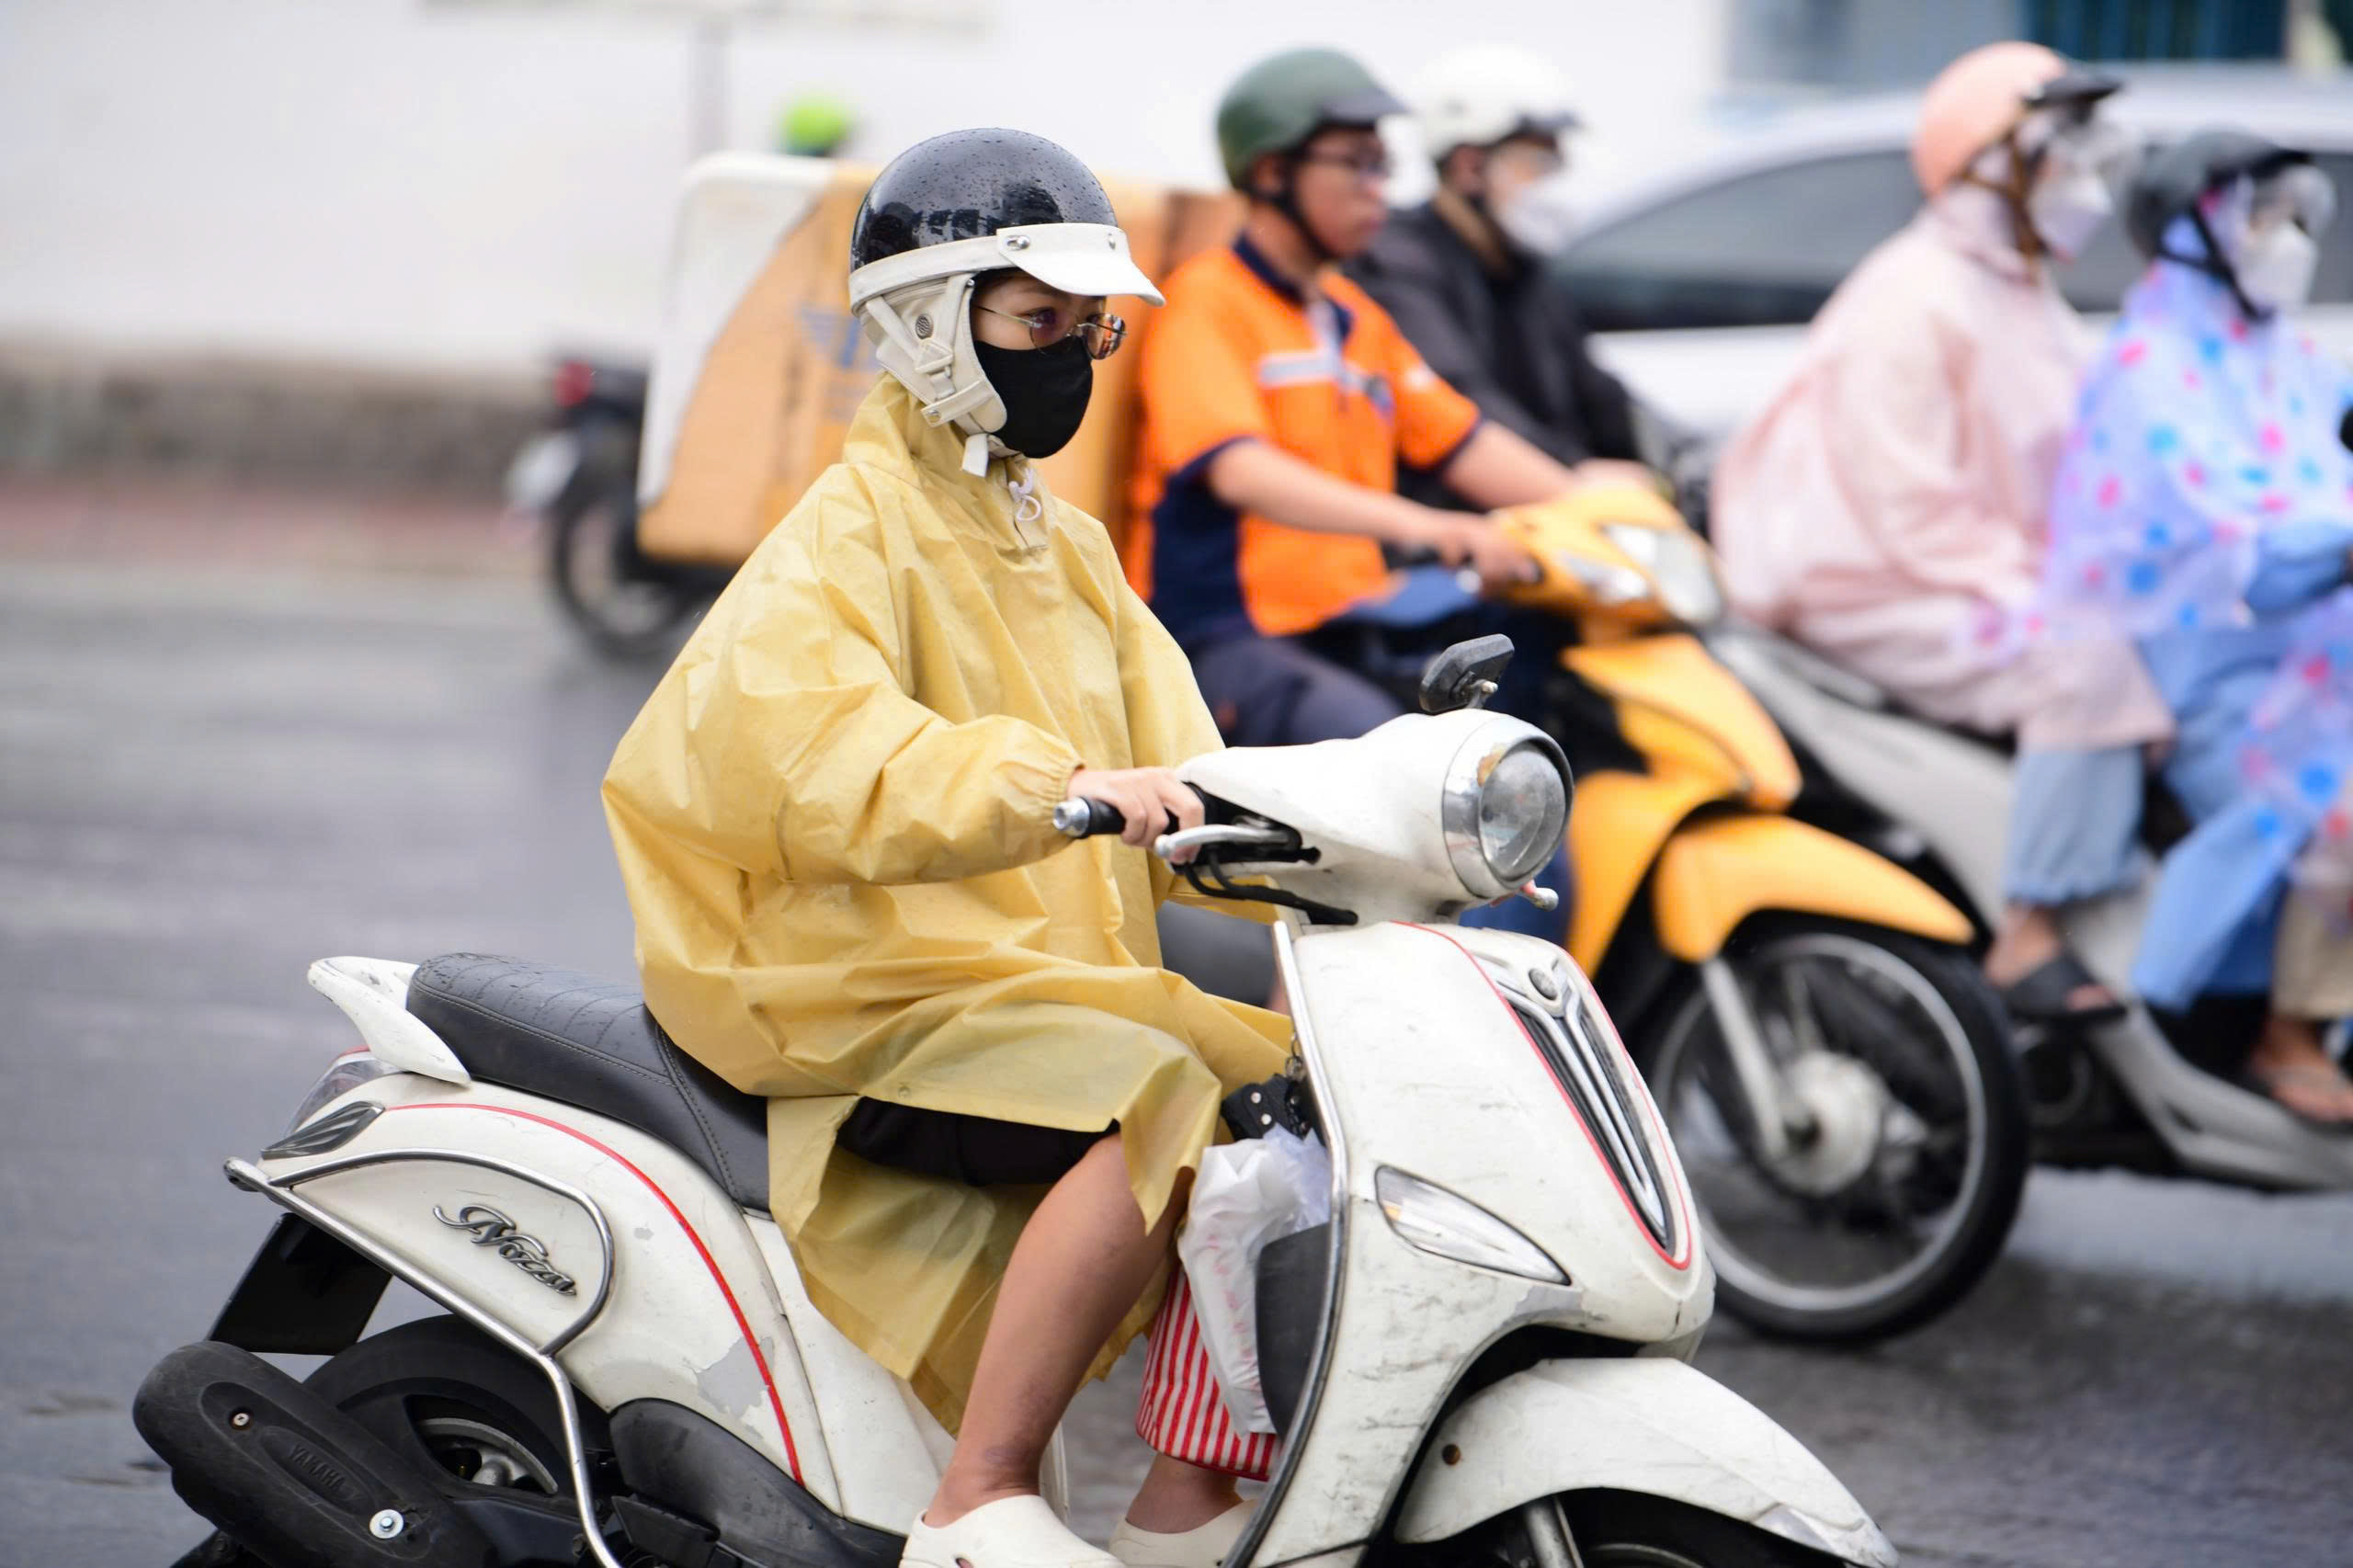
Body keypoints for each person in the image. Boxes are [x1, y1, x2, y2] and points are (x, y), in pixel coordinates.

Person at [603, 129, 1293, 1568]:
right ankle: (977, 1493)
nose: (1071, 356)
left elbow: (1189, 747)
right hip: (853, 978)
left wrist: (1328, 820)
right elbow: (810, 755)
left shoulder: (1063, 541)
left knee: (1290, 1089)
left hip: (1007, 970)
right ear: (928, 319)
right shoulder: (842, 535)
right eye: (1038, 323)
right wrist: (1059, 784)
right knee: (1159, 1083)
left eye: (1086, 329)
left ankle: (1185, 1488)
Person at [1708, 41, 2173, 1028]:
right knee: (2081, 660)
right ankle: (2032, 930)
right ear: (1988, 163)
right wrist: (2050, 592)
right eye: (2059, 153)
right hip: (1866, 581)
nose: (2081, 181)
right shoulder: (1912, 294)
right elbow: (1905, 502)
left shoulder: (2020, 289)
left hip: (1972, 571)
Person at [1130, 47, 1585, 935]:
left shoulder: (1352, 319)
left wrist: (1595, 515)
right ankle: (1296, 1057)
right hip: (1229, 642)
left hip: (1346, 627)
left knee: (1503, 772)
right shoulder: (1208, 302)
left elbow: (1464, 440)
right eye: (1359, 163)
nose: (1381, 187)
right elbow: (1240, 468)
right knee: (1392, 811)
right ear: (1274, 171)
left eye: (1388, 164)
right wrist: (1441, 530)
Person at [2040, 130, 2353, 1123]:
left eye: (2296, 215)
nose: (2289, 238)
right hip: (2212, 675)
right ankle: (2290, 1027)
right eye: (2266, 217)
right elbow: (2237, 551)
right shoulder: (2147, 369)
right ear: (2196, 226)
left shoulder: (2286, 354)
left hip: (2321, 654)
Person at [1346, 44, 1654, 503]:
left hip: (1543, 516)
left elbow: (1598, 392)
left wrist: (1671, 455)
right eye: (1538, 164)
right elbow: (1460, 403)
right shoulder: (1397, 263)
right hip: (1457, 536)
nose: (1556, 182)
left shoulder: (1519, 266)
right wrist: (1573, 475)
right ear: (1470, 166)